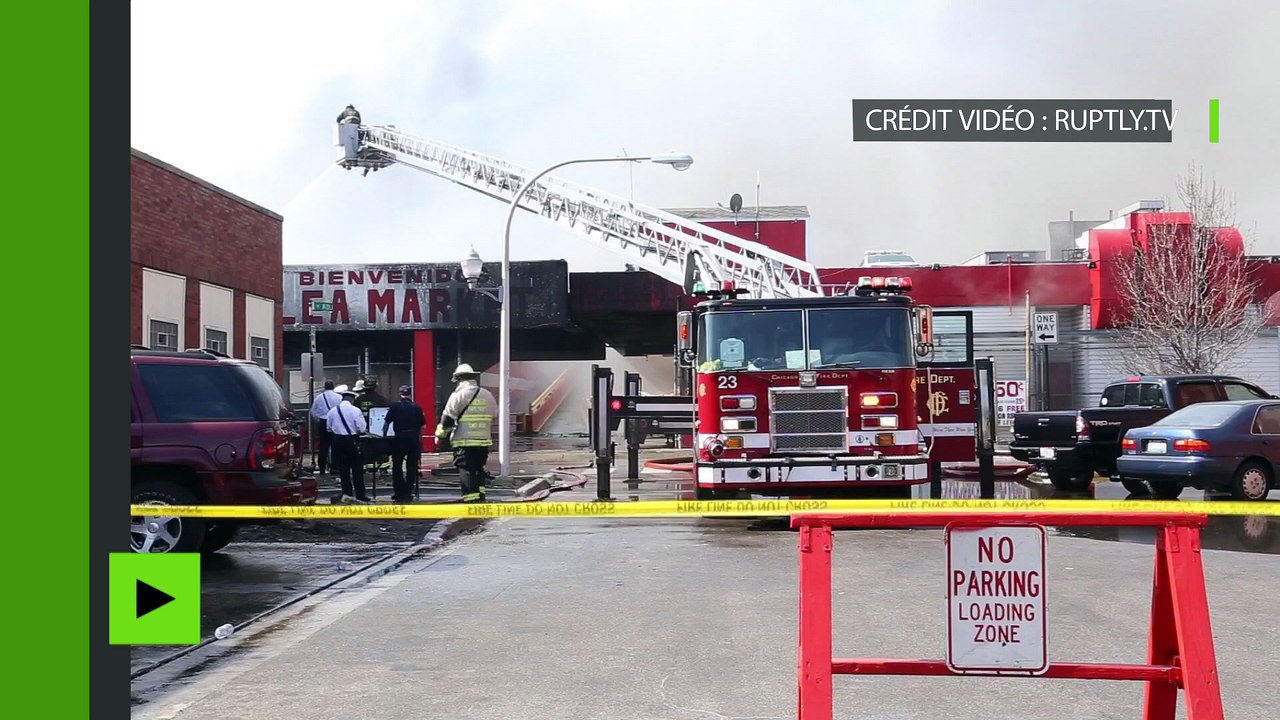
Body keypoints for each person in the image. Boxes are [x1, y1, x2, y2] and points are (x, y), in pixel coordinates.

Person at [434, 364, 495, 502]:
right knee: (479, 469)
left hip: (464, 441)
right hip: (483, 441)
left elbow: (447, 420)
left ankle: (470, 501)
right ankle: (481, 497)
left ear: (458, 379)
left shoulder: (458, 395)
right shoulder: (487, 395)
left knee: (466, 470)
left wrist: (439, 436)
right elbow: (494, 414)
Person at [382, 385, 427, 502]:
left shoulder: (394, 406)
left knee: (397, 466)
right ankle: (408, 492)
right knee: (412, 467)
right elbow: (423, 426)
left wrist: (384, 437)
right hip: (413, 438)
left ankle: (398, 492)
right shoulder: (417, 407)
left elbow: (386, 424)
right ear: (410, 394)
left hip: (399, 438)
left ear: (400, 394)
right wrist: (418, 437)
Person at [326, 387, 370, 504]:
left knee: (343, 469)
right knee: (357, 469)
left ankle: (347, 494)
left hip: (338, 441)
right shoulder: (355, 411)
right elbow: (361, 428)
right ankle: (360, 495)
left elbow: (329, 428)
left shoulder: (332, 411)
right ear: (352, 399)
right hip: (352, 441)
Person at [309, 381, 343, 474]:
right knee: (335, 445)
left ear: (325, 387)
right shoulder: (339, 397)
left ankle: (322, 467)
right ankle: (335, 467)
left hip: (323, 422)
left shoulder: (319, 398)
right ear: (333, 387)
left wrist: (318, 420)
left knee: (323, 446)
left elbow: (313, 411)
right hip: (335, 423)